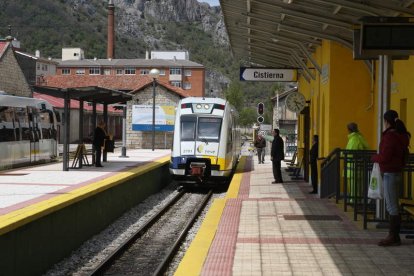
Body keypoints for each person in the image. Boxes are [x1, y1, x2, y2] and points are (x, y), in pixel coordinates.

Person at [372, 110, 410, 247]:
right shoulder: (402, 135)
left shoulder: (390, 137)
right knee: (394, 204)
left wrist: (374, 158)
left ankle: (393, 237)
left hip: (390, 174)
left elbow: (385, 156)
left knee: (391, 206)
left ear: (386, 122)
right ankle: (394, 236)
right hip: (397, 172)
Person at [345, 122, 369, 202]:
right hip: (357, 168)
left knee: (354, 187)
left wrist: (343, 153)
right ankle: (356, 201)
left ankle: (354, 202)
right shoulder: (359, 137)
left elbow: (350, 152)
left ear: (349, 130)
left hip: (353, 168)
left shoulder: (354, 139)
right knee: (357, 186)